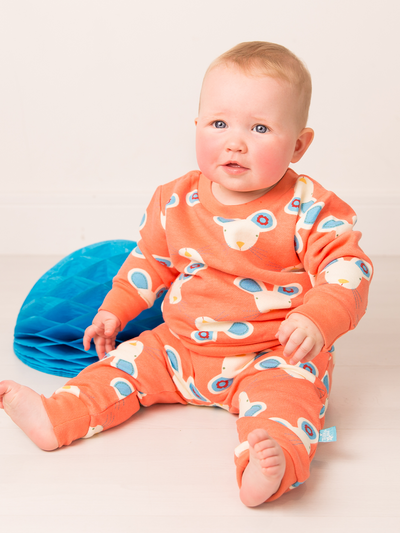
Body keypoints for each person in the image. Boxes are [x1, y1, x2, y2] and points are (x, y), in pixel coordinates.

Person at [0, 41, 373, 507]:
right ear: (196, 126)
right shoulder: (174, 200)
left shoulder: (310, 208)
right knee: (120, 365)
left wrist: (317, 317)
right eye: (219, 124)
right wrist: (115, 311)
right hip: (180, 347)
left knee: (289, 402)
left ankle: (271, 465)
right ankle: (58, 417)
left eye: (259, 128)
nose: (235, 142)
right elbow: (149, 262)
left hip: (272, 353)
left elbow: (347, 269)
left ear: (298, 144)